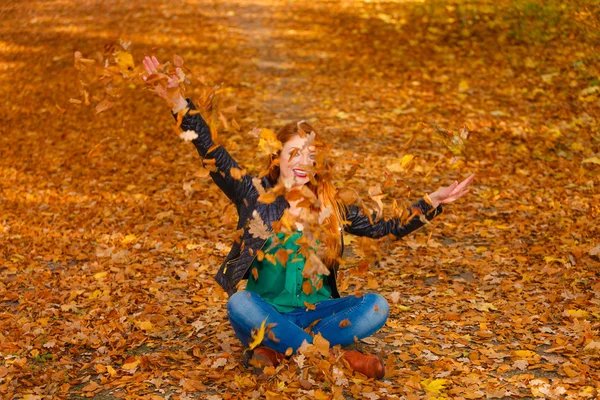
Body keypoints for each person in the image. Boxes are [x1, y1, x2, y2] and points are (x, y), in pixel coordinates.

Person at [143, 55, 474, 380]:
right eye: (295, 153)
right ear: (278, 158)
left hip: (320, 316)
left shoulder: (331, 207)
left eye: (311, 155)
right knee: (240, 303)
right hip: (265, 315)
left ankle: (278, 350)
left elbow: (386, 227)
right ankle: (335, 356)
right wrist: (177, 100)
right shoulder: (255, 194)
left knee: (377, 306)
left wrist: (432, 200)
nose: (303, 162)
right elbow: (211, 150)